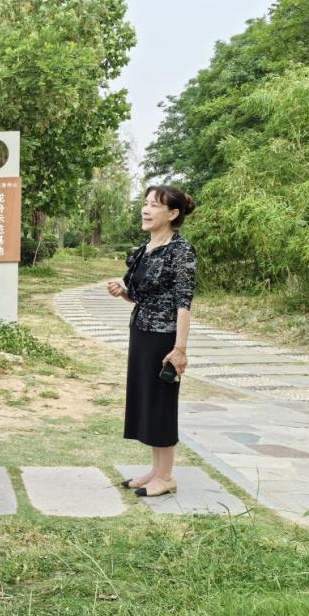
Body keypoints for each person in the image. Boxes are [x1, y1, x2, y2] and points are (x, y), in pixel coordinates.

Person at [108, 185, 197, 498]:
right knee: (146, 401)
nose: (146, 210)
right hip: (141, 333)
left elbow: (183, 303)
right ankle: (156, 471)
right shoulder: (145, 249)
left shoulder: (180, 250)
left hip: (164, 338)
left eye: (155, 205)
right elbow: (143, 296)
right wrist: (123, 292)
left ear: (173, 214)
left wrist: (180, 349)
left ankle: (167, 476)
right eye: (145, 203)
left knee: (161, 405)